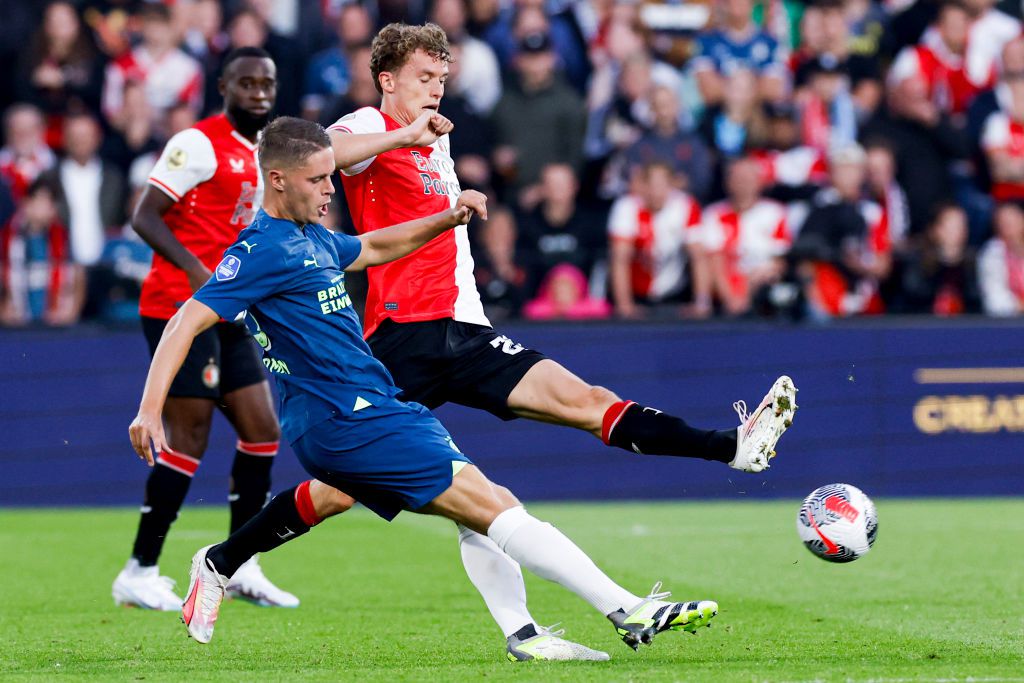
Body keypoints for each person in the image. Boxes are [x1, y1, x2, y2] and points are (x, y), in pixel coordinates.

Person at [202, 23, 797, 661]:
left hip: (463, 329)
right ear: (387, 80)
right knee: (351, 488)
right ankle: (222, 560)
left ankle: (730, 450)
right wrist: (402, 133)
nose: (434, 91)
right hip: (405, 335)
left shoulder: (438, 140)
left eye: (441, 80)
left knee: (581, 405)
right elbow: (320, 154)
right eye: (422, 79)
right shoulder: (369, 125)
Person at [128, 116, 728, 656]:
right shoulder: (260, 251)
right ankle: (628, 610)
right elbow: (185, 319)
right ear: (279, 180)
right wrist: (150, 409)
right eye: (318, 181)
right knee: (492, 507)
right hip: (345, 421)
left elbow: (374, 246)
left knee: (478, 506)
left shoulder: (312, 238)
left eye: (331, 177)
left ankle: (221, 562)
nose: (330, 190)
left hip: (371, 407)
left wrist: (447, 218)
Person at [111, 47, 295, 612]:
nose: (258, 93)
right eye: (246, 83)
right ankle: (139, 570)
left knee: (263, 429)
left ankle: (240, 565)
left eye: (266, 83)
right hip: (179, 306)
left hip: (233, 309)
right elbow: (144, 215)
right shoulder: (195, 143)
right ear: (223, 86)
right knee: (188, 435)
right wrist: (198, 273)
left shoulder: (272, 150)